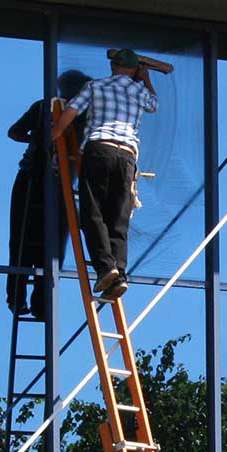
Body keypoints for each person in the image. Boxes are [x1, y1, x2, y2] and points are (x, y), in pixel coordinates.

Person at [49, 47, 172, 300]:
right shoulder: (139, 91)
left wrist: (55, 136)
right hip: (127, 156)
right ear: (133, 70)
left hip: (99, 149)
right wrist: (145, 78)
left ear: (114, 67)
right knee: (118, 217)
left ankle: (106, 268)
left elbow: (71, 112)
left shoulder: (96, 86)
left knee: (92, 212)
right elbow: (154, 104)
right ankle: (121, 274)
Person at [5, 69, 90, 317]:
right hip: (58, 183)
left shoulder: (44, 107)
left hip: (32, 178)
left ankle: (16, 297)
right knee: (52, 246)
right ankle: (42, 304)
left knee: (21, 238)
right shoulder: (84, 114)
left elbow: (15, 132)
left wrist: (37, 139)